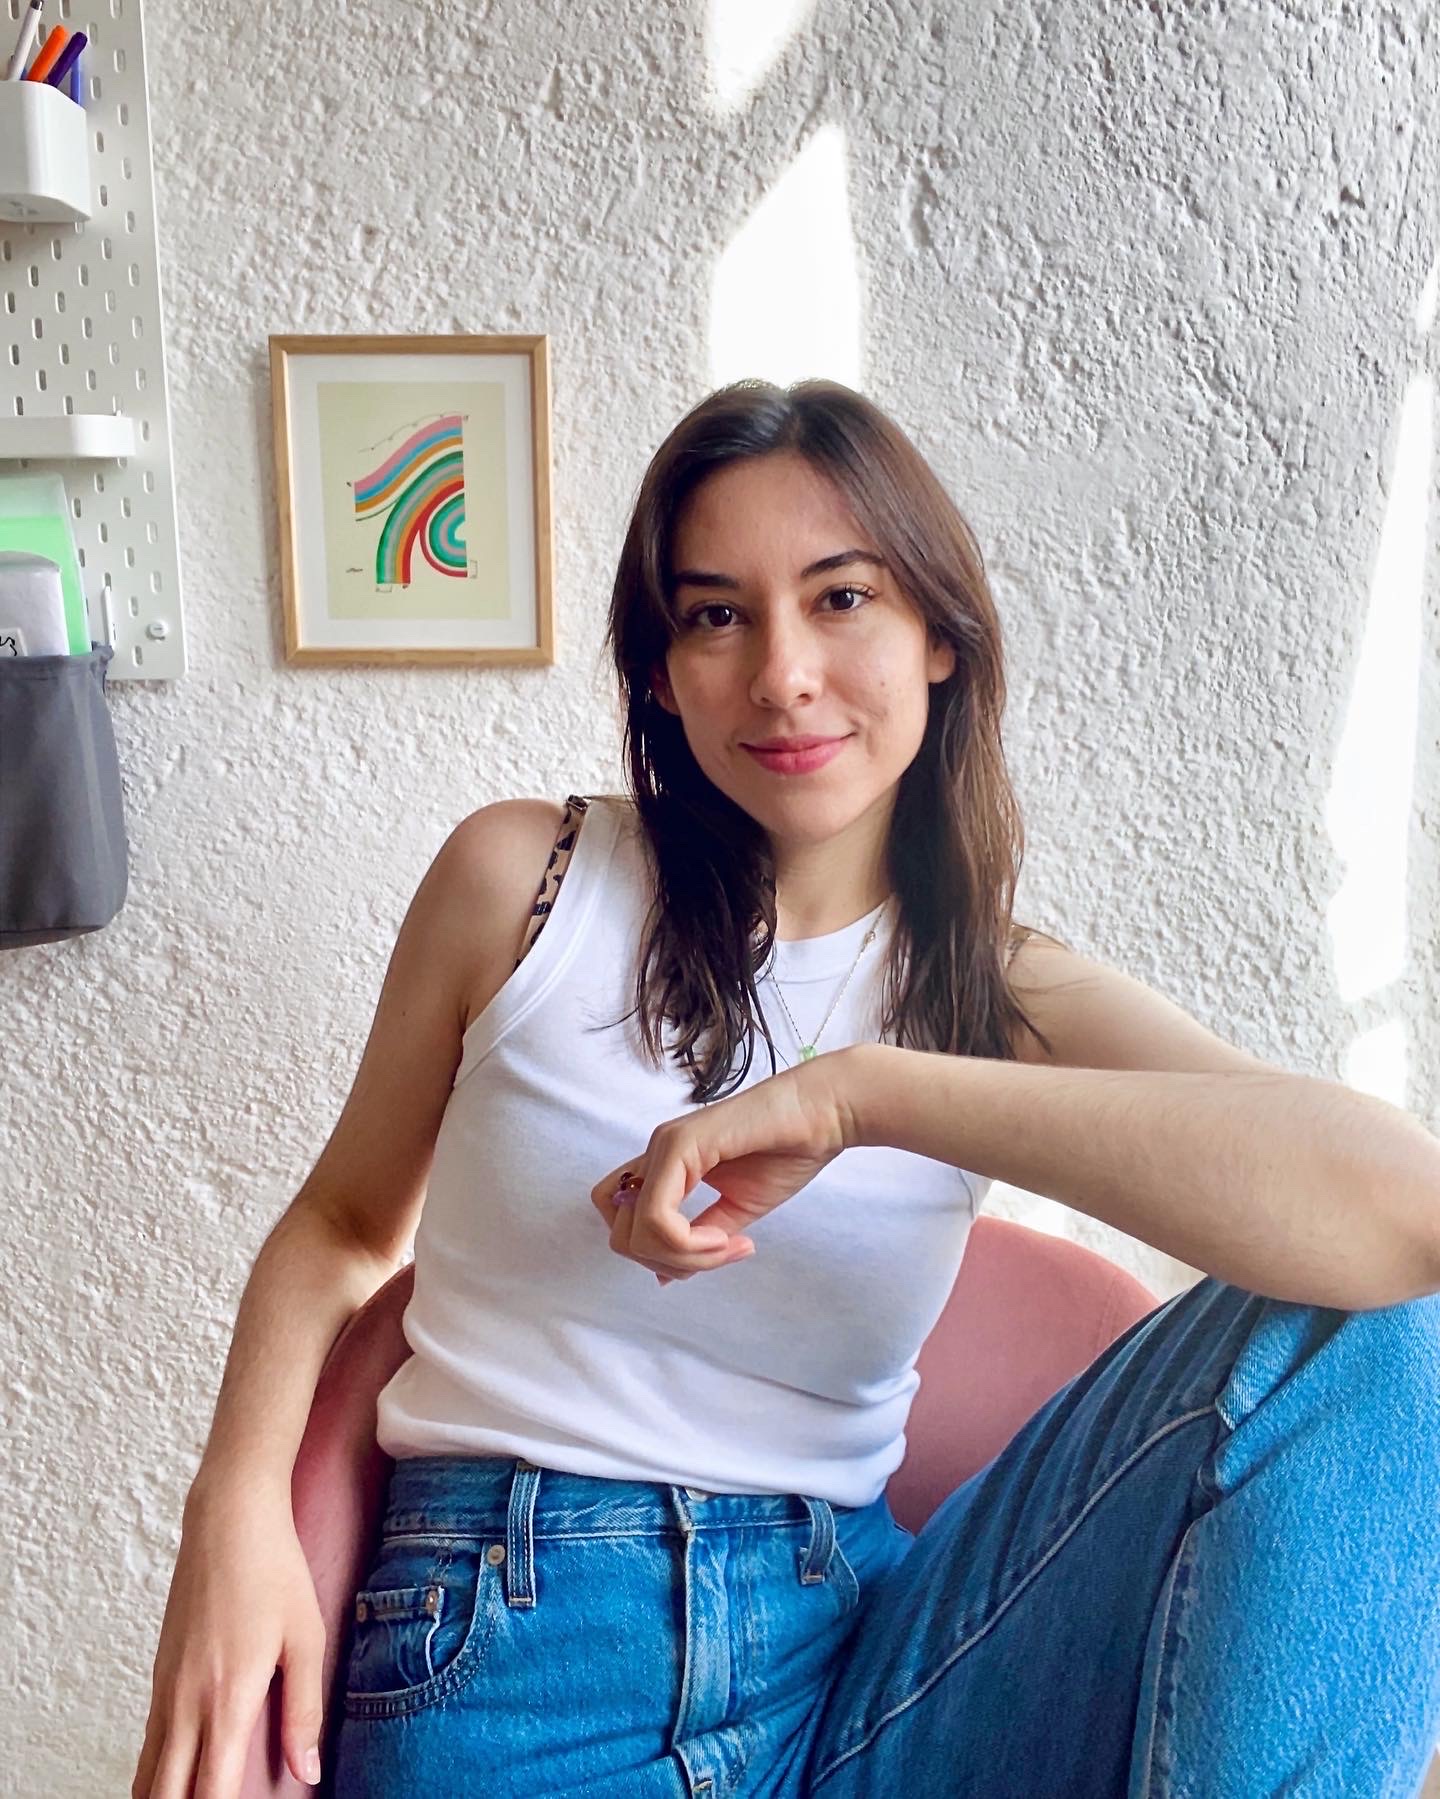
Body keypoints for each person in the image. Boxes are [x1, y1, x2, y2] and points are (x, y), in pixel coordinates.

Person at [133, 380, 1440, 1799]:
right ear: (659, 670)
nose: (783, 675)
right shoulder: (525, 884)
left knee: (1389, 1330)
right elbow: (340, 1225)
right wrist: (234, 1511)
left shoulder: (999, 989)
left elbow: (1404, 1218)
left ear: (938, 636)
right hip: (520, 1658)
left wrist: (863, 1095)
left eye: (842, 598)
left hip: (865, 1666)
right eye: (716, 616)